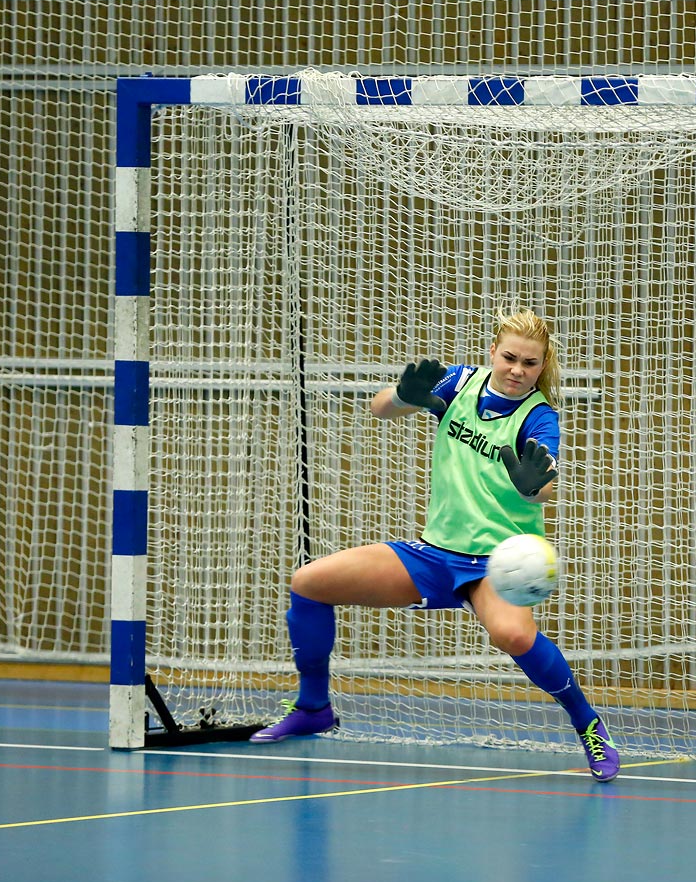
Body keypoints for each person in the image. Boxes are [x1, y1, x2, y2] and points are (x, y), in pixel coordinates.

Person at [250, 308, 620, 782]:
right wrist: (404, 396)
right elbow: (380, 408)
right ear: (493, 352)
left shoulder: (539, 416)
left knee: (513, 636)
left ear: (541, 367)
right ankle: (314, 706)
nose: (517, 370)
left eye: (530, 364)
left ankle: (588, 724)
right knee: (310, 582)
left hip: (495, 564)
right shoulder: (460, 384)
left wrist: (532, 485)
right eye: (510, 357)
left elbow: (546, 485)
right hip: (434, 553)